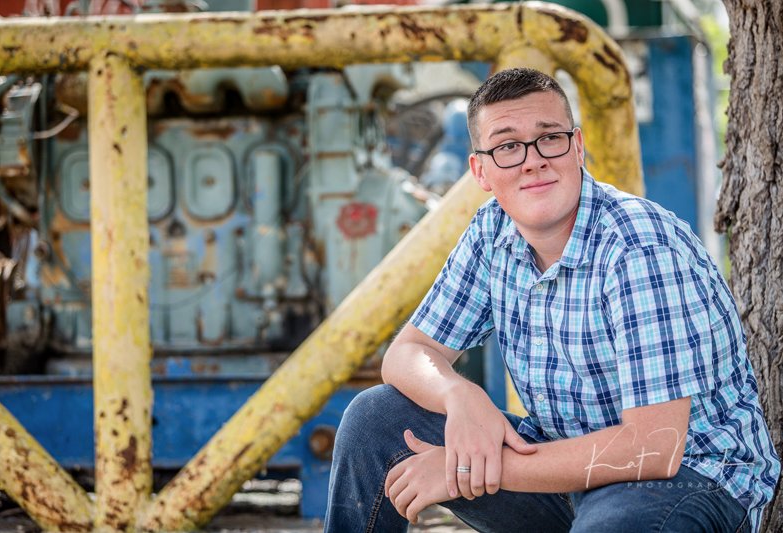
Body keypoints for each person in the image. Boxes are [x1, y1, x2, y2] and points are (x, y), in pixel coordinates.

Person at [323, 68, 780, 533]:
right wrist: (459, 395)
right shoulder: (492, 231)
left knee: (611, 524)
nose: (533, 161)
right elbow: (409, 352)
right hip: (564, 471)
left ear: (577, 147)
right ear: (480, 171)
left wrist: (462, 468)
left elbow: (654, 447)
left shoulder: (638, 247)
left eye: (549, 138)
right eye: (507, 146)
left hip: (690, 479)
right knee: (375, 419)